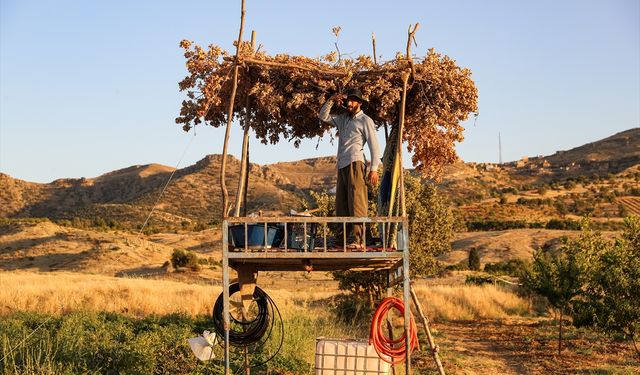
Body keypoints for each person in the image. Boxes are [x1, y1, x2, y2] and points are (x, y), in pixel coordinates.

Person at [319, 88, 381, 249]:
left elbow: (374, 146)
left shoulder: (365, 120)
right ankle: (341, 239)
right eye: (349, 100)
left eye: (354, 101)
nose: (350, 103)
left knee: (357, 201)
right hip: (342, 164)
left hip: (356, 162)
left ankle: (359, 240)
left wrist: (374, 168)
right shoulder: (343, 119)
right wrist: (331, 100)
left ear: (360, 103)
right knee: (341, 202)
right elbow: (323, 116)